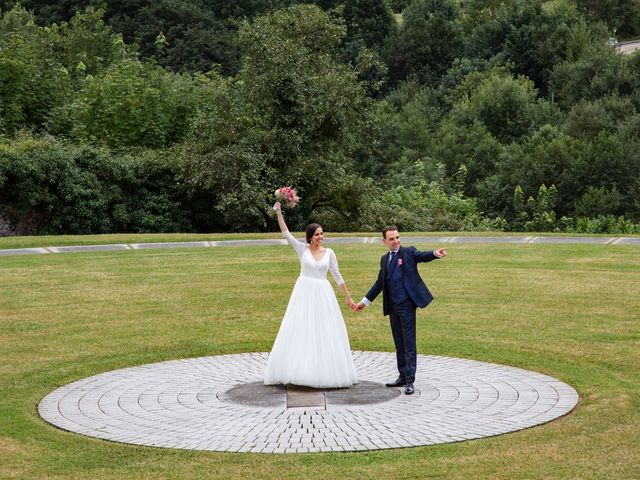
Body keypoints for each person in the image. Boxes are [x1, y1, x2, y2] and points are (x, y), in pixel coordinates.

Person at [263, 202, 358, 388]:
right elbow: (286, 233)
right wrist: (279, 212)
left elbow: (337, 275)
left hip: (323, 293)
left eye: (322, 234)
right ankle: (298, 368)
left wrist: (347, 297)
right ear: (310, 237)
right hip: (304, 292)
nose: (320, 237)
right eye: (317, 234)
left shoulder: (329, 253)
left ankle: (325, 370)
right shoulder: (302, 250)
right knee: (301, 327)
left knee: (325, 329)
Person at [353, 226, 446, 395]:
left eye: (397, 237)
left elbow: (421, 256)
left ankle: (410, 380)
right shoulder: (384, 259)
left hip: (406, 305)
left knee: (409, 342)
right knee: (399, 342)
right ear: (384, 242)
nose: (396, 241)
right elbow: (379, 284)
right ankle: (402, 375)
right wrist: (363, 302)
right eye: (391, 239)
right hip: (393, 306)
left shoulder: (408, 252)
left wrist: (434, 254)